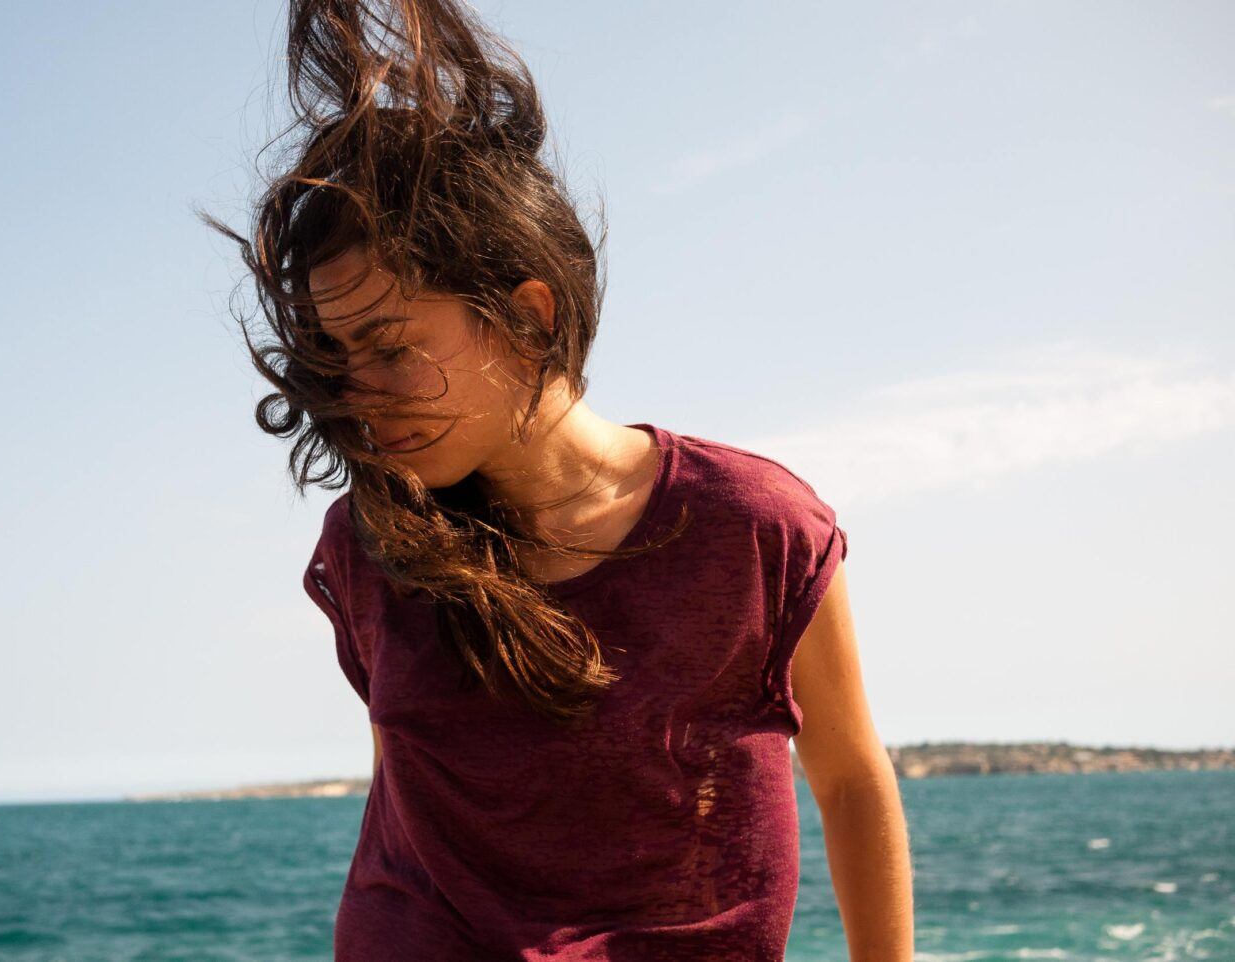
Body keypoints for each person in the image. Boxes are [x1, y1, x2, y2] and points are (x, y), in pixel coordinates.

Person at [202, 1, 914, 958]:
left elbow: (852, 778)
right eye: (337, 358)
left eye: (391, 347)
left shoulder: (753, 526)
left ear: (529, 318)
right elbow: (406, 797)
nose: (359, 396)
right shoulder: (370, 546)